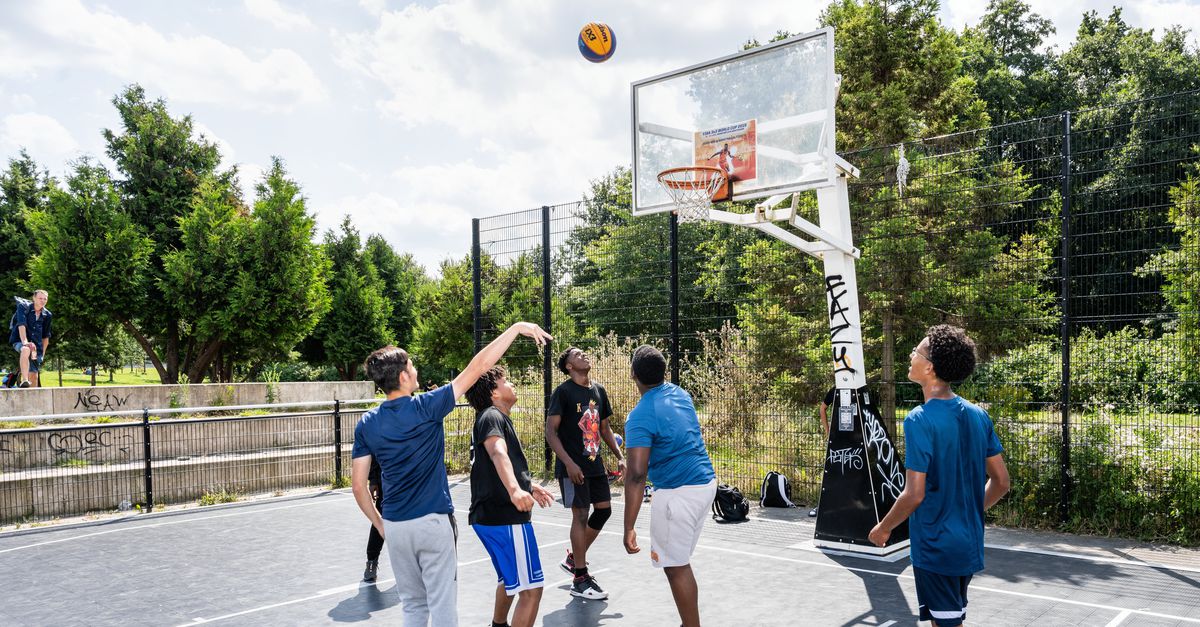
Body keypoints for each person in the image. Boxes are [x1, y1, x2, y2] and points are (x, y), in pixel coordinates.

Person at [351, 321, 551, 627]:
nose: (416, 370)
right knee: (443, 606)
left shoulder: (367, 423)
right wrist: (515, 329)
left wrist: (381, 525)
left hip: (395, 526)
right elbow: (480, 365)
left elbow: (358, 487)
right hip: (432, 522)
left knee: (414, 608)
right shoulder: (426, 407)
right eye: (412, 366)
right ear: (404, 377)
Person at [868, 325, 1010, 627]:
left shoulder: (920, 420)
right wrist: (969, 509)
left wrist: (883, 528)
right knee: (943, 620)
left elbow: (913, 494)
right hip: (968, 543)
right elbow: (1001, 482)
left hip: (936, 547)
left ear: (930, 368)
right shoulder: (978, 415)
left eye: (917, 352)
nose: (911, 355)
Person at [621, 345, 716, 627]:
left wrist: (628, 526)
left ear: (633, 374)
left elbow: (637, 476)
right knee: (678, 560)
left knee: (676, 567)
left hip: (678, 494)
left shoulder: (639, 415)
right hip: (705, 485)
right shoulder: (680, 394)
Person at [465, 365, 554, 627]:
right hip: (505, 518)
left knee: (508, 579)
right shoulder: (492, 417)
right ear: (494, 392)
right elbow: (497, 453)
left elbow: (495, 465)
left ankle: (498, 624)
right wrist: (515, 490)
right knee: (531, 589)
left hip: (488, 516)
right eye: (506, 380)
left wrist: (527, 487)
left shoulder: (490, 416)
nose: (512, 384)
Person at [545, 346, 625, 600]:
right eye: (576, 355)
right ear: (568, 366)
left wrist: (620, 457)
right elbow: (550, 433)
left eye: (584, 353)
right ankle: (580, 578)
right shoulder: (563, 392)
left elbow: (604, 428)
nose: (583, 355)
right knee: (580, 515)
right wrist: (568, 463)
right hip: (573, 467)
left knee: (604, 510)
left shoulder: (598, 390)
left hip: (594, 464)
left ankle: (573, 559)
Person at [9, 290, 52, 388]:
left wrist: (42, 354)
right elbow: (21, 325)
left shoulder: (47, 315)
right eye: (40, 298)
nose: (43, 301)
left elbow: (45, 337)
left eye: (45, 299)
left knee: (34, 376)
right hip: (19, 340)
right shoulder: (23, 307)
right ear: (34, 298)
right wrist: (25, 342)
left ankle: (34, 400)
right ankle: (24, 380)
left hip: (36, 346)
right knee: (26, 349)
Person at [811, 386, 836, 517]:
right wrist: (828, 431)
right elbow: (822, 408)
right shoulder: (835, 390)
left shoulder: (858, 389)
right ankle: (826, 503)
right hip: (838, 437)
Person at [362, 457, 383, 583]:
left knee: (410, 521)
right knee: (379, 520)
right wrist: (373, 480)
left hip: (408, 480)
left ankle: (412, 564)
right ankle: (372, 561)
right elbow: (374, 449)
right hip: (385, 479)